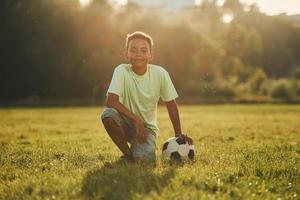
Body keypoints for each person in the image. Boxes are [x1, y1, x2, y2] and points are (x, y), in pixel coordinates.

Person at [100, 31, 192, 162]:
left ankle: (138, 153)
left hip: (147, 129)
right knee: (108, 115)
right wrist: (136, 119)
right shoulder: (121, 70)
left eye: (143, 50)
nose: (138, 54)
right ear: (126, 54)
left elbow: (171, 104)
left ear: (150, 55)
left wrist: (178, 135)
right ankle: (127, 154)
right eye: (133, 50)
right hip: (125, 122)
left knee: (143, 162)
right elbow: (110, 101)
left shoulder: (160, 74)